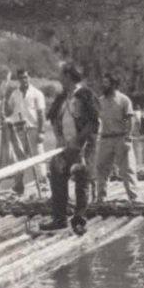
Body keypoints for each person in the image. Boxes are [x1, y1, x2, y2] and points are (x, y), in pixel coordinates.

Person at [40, 63, 99, 235]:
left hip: (84, 145)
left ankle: (79, 220)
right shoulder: (62, 98)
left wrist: (78, 140)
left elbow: (93, 122)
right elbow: (53, 119)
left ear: (68, 76)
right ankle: (59, 218)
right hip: (65, 146)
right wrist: (59, 138)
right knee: (57, 174)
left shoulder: (85, 95)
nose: (59, 78)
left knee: (81, 179)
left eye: (61, 75)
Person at [94, 74, 139, 203]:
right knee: (101, 168)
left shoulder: (123, 100)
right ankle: (100, 197)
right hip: (105, 139)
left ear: (113, 85)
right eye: (102, 82)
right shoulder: (100, 101)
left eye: (106, 82)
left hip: (121, 137)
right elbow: (94, 119)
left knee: (127, 169)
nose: (103, 85)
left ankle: (134, 197)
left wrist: (128, 137)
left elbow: (130, 119)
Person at [4, 69, 46, 194]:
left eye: (26, 77)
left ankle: (43, 183)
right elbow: (8, 112)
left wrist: (41, 131)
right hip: (18, 129)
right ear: (18, 79)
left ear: (29, 77)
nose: (24, 80)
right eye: (21, 78)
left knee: (38, 157)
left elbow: (41, 114)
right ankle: (18, 185)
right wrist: (5, 99)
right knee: (19, 158)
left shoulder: (37, 93)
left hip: (32, 128)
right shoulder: (14, 94)